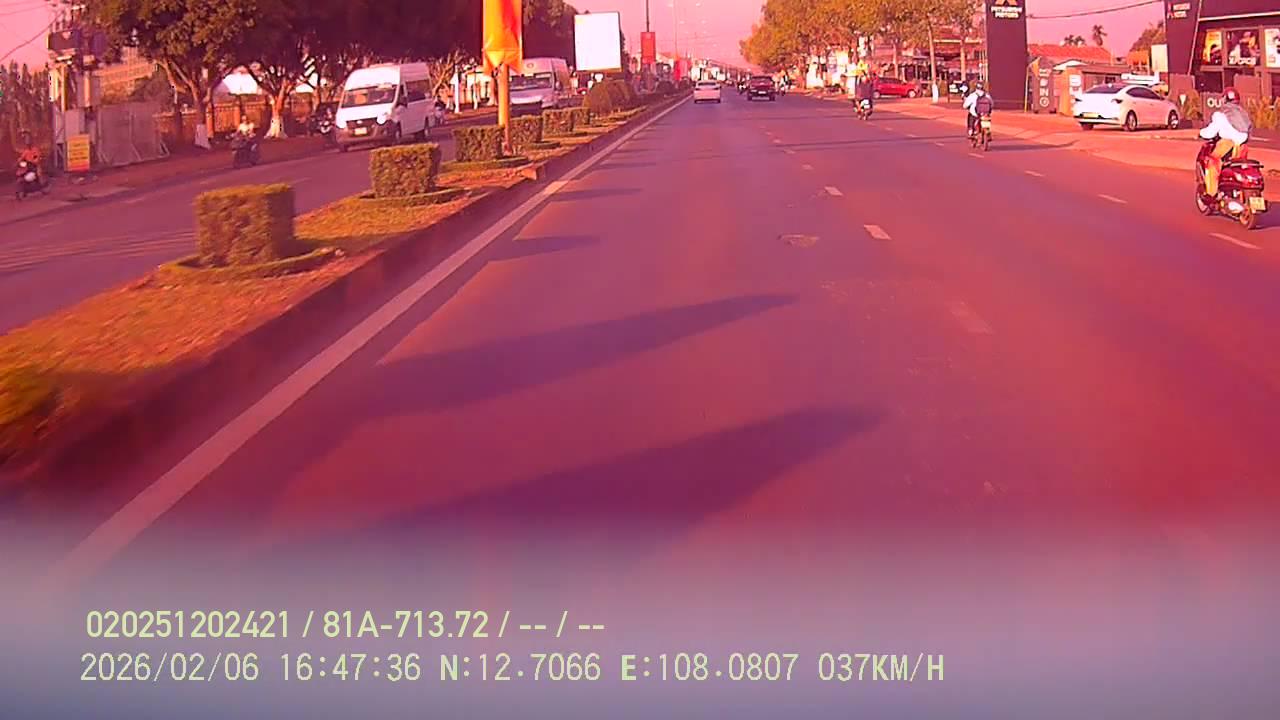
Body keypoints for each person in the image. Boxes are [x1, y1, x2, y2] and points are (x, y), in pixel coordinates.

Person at [1199, 86, 1252, 200]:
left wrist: (1200, 133)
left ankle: (1211, 194)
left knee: (1212, 162)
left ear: (1224, 99)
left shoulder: (1220, 114)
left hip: (1227, 145)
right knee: (1240, 168)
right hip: (1242, 147)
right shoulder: (1244, 114)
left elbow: (1210, 132)